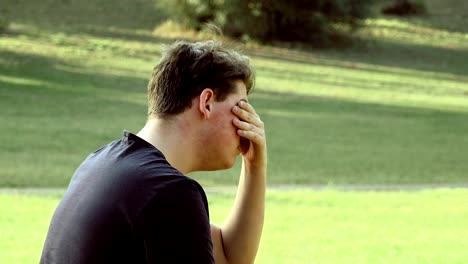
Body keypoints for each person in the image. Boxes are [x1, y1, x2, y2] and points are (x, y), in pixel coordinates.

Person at [40, 40, 267, 264]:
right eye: (242, 109)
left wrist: (255, 167)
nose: (247, 126)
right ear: (206, 102)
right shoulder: (169, 191)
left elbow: (229, 257)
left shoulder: (102, 162)